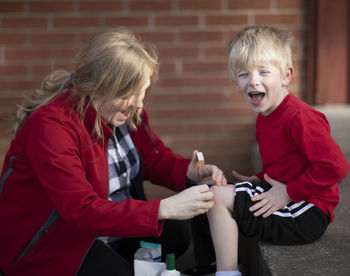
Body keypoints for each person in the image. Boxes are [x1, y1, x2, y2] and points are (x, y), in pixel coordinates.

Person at [0, 28, 227, 276]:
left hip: (110, 226)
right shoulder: (52, 127)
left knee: (175, 234)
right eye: (131, 94)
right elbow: (82, 211)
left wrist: (190, 172)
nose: (140, 103)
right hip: (53, 244)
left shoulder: (123, 111)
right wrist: (164, 207)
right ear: (102, 88)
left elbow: (152, 158)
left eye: (143, 91)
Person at [203, 25, 349, 276]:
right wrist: (260, 179)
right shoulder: (266, 117)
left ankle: (226, 272)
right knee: (208, 192)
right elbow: (287, 162)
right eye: (243, 74)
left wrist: (288, 192)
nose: (253, 81)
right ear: (235, 83)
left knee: (217, 197)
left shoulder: (300, 118)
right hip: (290, 195)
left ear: (286, 76)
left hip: (308, 210)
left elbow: (336, 167)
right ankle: (219, 267)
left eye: (263, 72)